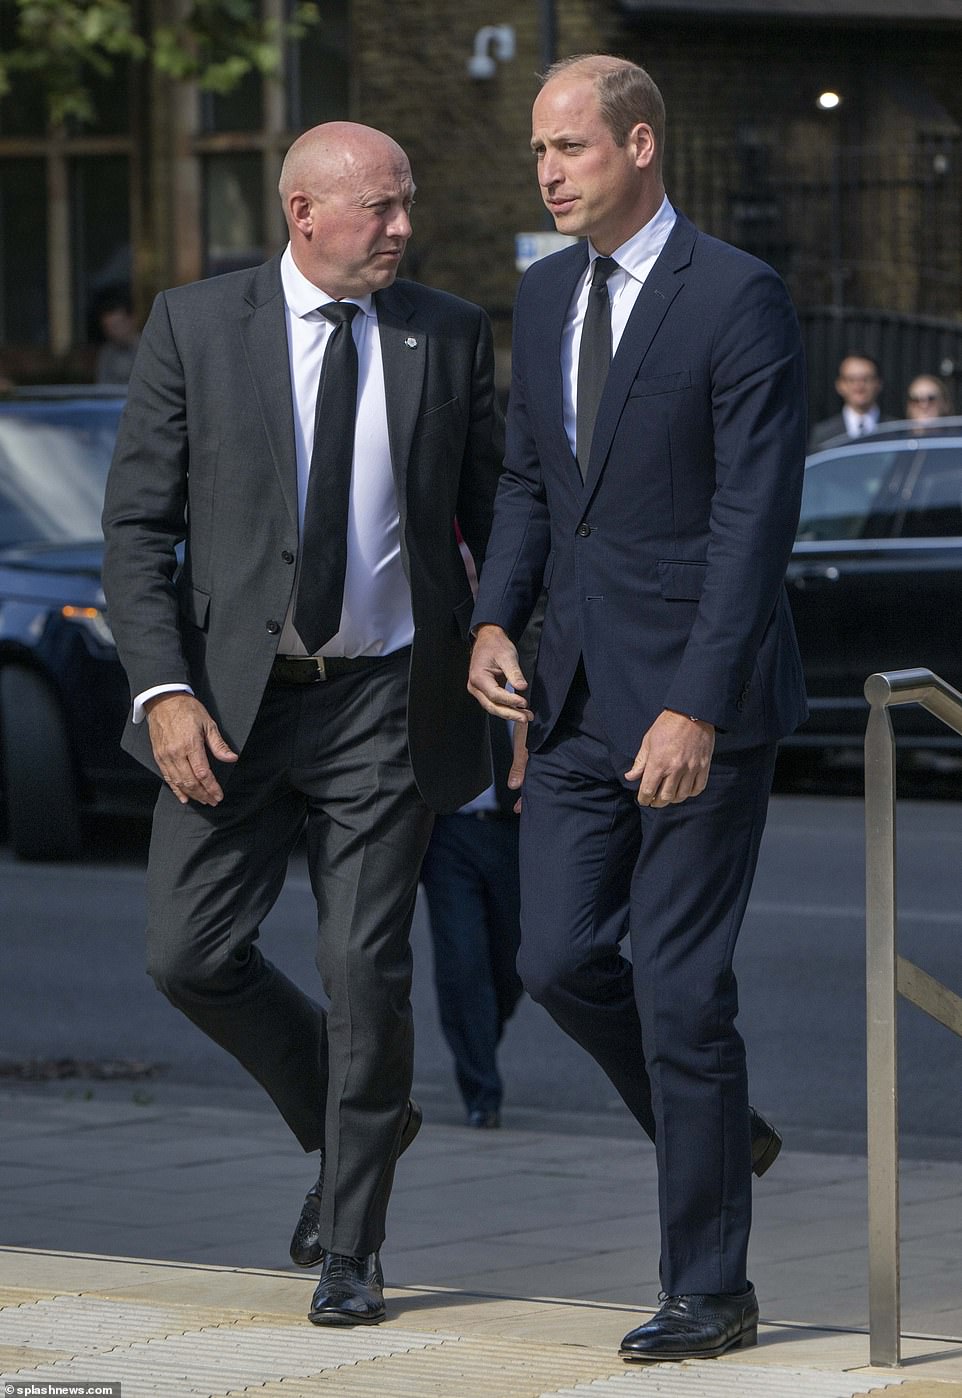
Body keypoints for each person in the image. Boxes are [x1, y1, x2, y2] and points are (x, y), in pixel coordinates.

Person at [101, 121, 503, 1328]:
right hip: (229, 706)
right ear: (302, 212)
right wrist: (162, 689)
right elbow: (134, 532)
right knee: (189, 955)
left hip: (385, 698)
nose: (400, 227)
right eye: (377, 207)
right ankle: (357, 1115)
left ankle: (352, 1242)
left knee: (360, 971)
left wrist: (506, 641)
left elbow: (495, 515)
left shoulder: (447, 331)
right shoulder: (195, 326)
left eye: (406, 202)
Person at [468, 54, 807, 1364]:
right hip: (569, 699)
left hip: (695, 708)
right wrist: (494, 618)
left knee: (674, 984)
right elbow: (527, 487)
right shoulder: (545, 292)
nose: (547, 172)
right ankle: (721, 1130)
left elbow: (751, 521)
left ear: (641, 145)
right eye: (536, 152)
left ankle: (709, 1286)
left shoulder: (736, 296)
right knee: (552, 959)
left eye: (570, 147)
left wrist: (696, 705)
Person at [419, 712, 524, 1129]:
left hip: (517, 830)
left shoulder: (534, 651)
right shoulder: (441, 653)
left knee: (516, 964)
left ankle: (476, 1037)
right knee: (462, 962)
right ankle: (482, 1090)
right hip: (450, 832)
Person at [808, 353, 889, 451]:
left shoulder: (895, 430)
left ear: (879, 383)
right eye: (851, 380)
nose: (859, 386)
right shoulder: (823, 434)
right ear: (840, 385)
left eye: (866, 379)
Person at [92, 287, 141, 384]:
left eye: (116, 325)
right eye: (107, 327)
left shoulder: (149, 349)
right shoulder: (106, 353)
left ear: (132, 320)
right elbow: (102, 386)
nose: (112, 332)